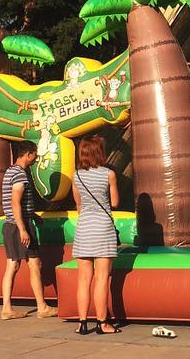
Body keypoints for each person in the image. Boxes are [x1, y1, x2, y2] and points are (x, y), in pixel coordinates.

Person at [1, 141, 58, 320]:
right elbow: (15, 202)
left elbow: (16, 203)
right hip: (19, 225)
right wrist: (23, 229)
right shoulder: (20, 174)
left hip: (10, 225)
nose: (36, 158)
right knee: (35, 264)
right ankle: (42, 307)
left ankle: (6, 308)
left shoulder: (9, 171)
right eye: (35, 154)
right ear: (28, 154)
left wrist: (32, 214)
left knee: (13, 265)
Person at [72, 134, 121, 334]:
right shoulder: (109, 174)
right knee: (101, 278)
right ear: (100, 152)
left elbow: (79, 205)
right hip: (103, 228)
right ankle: (102, 323)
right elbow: (115, 202)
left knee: (83, 279)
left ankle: (82, 323)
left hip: (84, 228)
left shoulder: (77, 176)